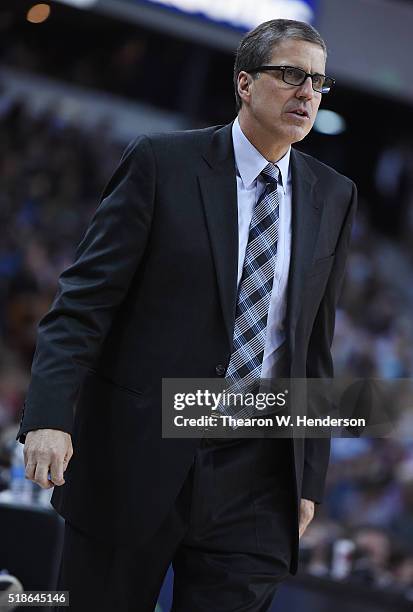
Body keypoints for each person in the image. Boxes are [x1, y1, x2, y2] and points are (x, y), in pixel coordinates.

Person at [17, 18, 357, 612]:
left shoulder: (333, 195)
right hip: (139, 450)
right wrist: (48, 416)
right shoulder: (161, 163)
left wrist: (308, 477)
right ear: (245, 84)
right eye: (292, 75)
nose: (308, 92)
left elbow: (313, 345)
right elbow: (83, 304)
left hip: (257, 467)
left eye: (319, 82)